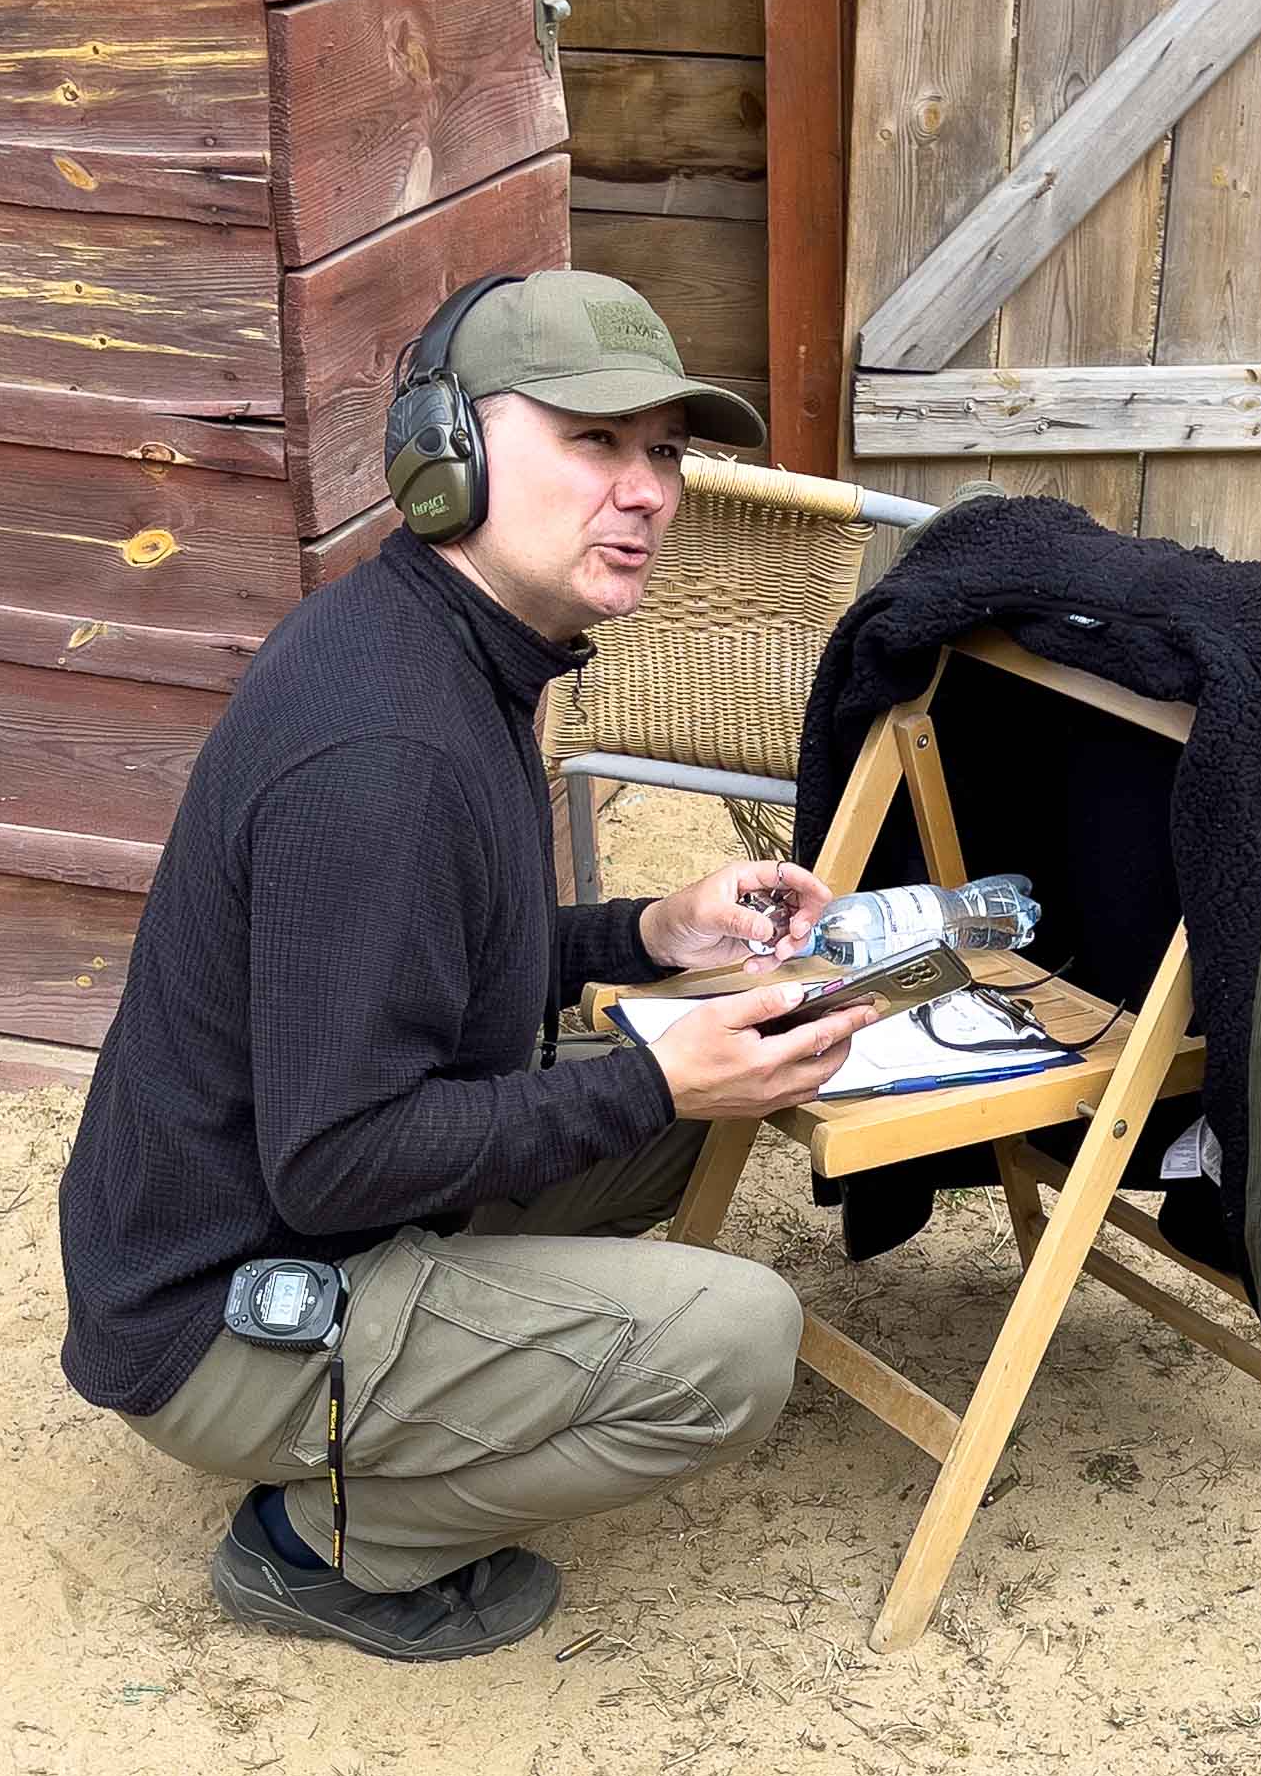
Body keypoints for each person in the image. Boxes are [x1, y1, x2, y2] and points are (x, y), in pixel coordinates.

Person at [57, 270, 874, 1664]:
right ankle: (321, 1547)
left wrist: (644, 936)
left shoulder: (449, 647)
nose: (648, 492)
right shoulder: (385, 751)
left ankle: (440, 1360)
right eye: (594, 440)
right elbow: (336, 1160)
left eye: (666, 450)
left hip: (280, 1217)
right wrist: (652, 1078)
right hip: (224, 1307)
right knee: (736, 1341)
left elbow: (432, 955)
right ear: (447, 452)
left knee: (689, 1122)